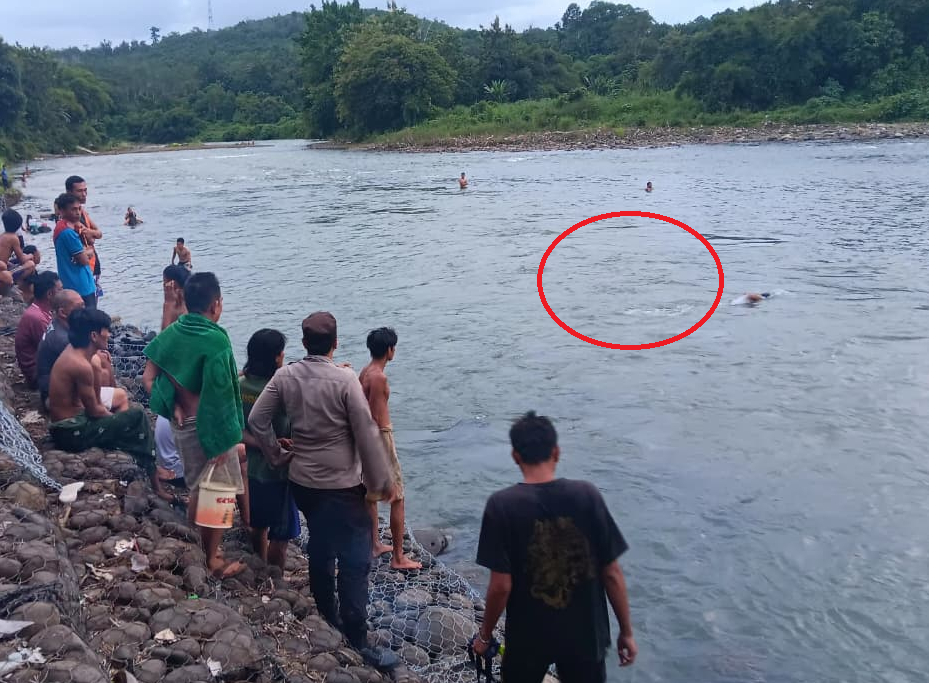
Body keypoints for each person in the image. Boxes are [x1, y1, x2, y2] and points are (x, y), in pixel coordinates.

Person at [247, 311, 398, 669]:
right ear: (335, 343)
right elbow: (365, 431)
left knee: (320, 544)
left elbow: (256, 420)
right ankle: (357, 637)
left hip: (302, 482)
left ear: (303, 343)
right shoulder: (344, 380)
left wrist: (276, 454)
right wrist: (381, 480)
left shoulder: (286, 375)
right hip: (341, 484)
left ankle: (328, 616)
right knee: (355, 558)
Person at [472, 411, 637, 682]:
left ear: (515, 456)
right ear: (557, 452)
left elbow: (501, 586)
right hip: (586, 637)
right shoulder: (587, 496)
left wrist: (484, 635)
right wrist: (626, 632)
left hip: (528, 638)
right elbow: (612, 573)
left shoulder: (501, 505)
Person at [142, 272, 247, 579]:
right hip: (210, 428)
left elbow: (149, 379)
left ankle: (198, 543)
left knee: (198, 487)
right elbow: (222, 394)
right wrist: (220, 439)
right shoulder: (216, 338)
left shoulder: (172, 333)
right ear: (216, 304)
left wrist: (170, 402)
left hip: (182, 424)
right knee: (221, 494)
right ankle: (212, 559)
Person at [47, 308, 155, 475]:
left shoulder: (75, 352)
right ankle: (152, 469)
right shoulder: (80, 365)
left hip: (70, 422)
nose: (110, 335)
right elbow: (95, 411)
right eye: (106, 330)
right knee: (137, 416)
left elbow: (94, 401)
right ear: (94, 336)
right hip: (70, 432)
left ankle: (145, 462)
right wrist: (119, 420)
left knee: (127, 419)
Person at [360, 327, 421, 570]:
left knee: (370, 496)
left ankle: (374, 543)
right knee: (397, 496)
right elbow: (375, 415)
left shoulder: (365, 371)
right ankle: (398, 556)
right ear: (389, 350)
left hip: (366, 438)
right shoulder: (379, 377)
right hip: (380, 437)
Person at [239, 329, 300, 571]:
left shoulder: (239, 384)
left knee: (258, 524)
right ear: (277, 357)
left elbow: (236, 430)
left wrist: (261, 444)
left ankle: (260, 563)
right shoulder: (280, 390)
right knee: (281, 533)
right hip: (280, 471)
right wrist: (274, 446)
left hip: (250, 470)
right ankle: (274, 577)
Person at [36, 289, 85, 406]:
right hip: (54, 397)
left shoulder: (58, 324)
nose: (84, 309)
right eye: (79, 306)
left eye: (84, 304)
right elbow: (84, 369)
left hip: (51, 386)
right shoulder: (63, 339)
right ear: (63, 313)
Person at [14, 271, 62, 387]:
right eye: (60, 290)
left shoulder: (41, 311)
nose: (63, 293)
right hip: (38, 375)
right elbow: (54, 350)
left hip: (41, 368)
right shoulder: (37, 318)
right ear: (50, 294)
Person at [53, 193, 97, 309]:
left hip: (72, 281)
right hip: (80, 284)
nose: (77, 212)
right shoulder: (68, 233)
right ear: (62, 211)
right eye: (73, 209)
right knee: (89, 315)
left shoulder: (65, 226)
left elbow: (92, 239)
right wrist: (88, 252)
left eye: (79, 209)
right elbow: (83, 260)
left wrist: (85, 250)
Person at [65, 176, 104, 294]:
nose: (84, 194)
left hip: (93, 264)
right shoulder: (69, 218)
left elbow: (98, 233)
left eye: (85, 190)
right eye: (80, 191)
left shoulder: (82, 212)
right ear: (69, 192)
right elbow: (91, 240)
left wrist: (90, 232)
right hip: (82, 267)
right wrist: (91, 234)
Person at [1, 210, 37, 297]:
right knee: (30, 264)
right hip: (3, 271)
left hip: (3, 265)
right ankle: (17, 284)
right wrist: (30, 255)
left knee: (16, 262)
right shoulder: (13, 238)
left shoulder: (2, 235)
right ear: (18, 225)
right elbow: (22, 259)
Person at [161, 264, 190, 331]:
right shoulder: (186, 303)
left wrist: (168, 304)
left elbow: (164, 338)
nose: (163, 286)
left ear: (173, 285)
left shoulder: (182, 309)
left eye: (164, 282)